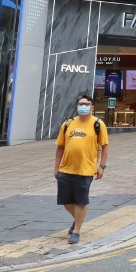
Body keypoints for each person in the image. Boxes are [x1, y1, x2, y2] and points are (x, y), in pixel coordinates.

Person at [54, 94, 109, 245]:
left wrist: (102, 167)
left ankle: (76, 231)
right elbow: (60, 147)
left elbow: (105, 146)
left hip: (86, 169)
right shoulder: (67, 124)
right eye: (80, 104)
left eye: (86, 104)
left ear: (92, 107)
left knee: (81, 201)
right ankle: (79, 218)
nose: (83, 106)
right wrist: (56, 167)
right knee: (66, 201)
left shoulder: (98, 124)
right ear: (77, 106)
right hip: (66, 168)